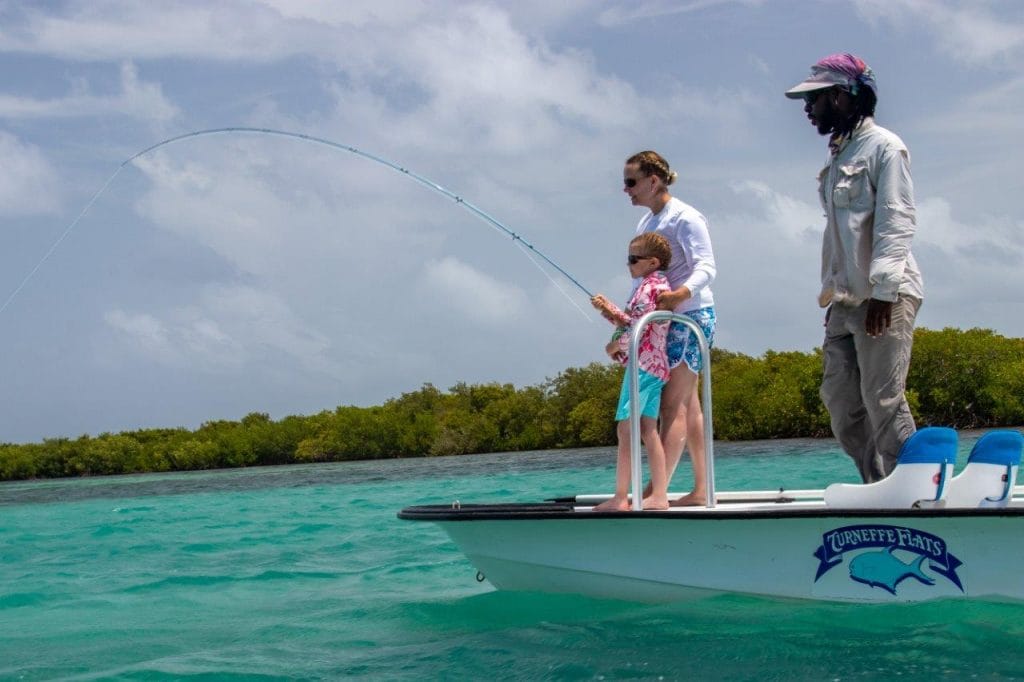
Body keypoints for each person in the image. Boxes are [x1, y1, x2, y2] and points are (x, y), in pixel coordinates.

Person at [785, 53, 923, 483]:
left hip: (886, 293)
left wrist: (883, 291)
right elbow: (839, 234)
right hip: (846, 300)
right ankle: (878, 486)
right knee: (841, 402)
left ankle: (914, 487)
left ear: (843, 97)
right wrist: (834, 293)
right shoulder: (839, 152)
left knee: (882, 399)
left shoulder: (884, 146)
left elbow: (895, 219)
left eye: (816, 99)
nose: (808, 109)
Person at [623, 151, 717, 506]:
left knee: (671, 406)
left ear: (654, 181)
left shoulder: (686, 218)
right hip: (661, 321)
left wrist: (680, 293)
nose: (626, 189)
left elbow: (706, 266)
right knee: (689, 405)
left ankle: (654, 491)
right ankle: (699, 489)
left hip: (690, 317)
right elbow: (641, 281)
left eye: (631, 182)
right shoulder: (646, 223)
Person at [590, 232, 673, 511]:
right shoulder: (653, 285)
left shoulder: (651, 288)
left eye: (632, 259)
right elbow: (632, 320)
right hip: (653, 366)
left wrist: (616, 347)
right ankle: (658, 494)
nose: (628, 264)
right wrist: (608, 309)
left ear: (652, 262)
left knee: (626, 429)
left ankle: (620, 497)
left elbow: (642, 328)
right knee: (647, 428)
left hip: (643, 366)